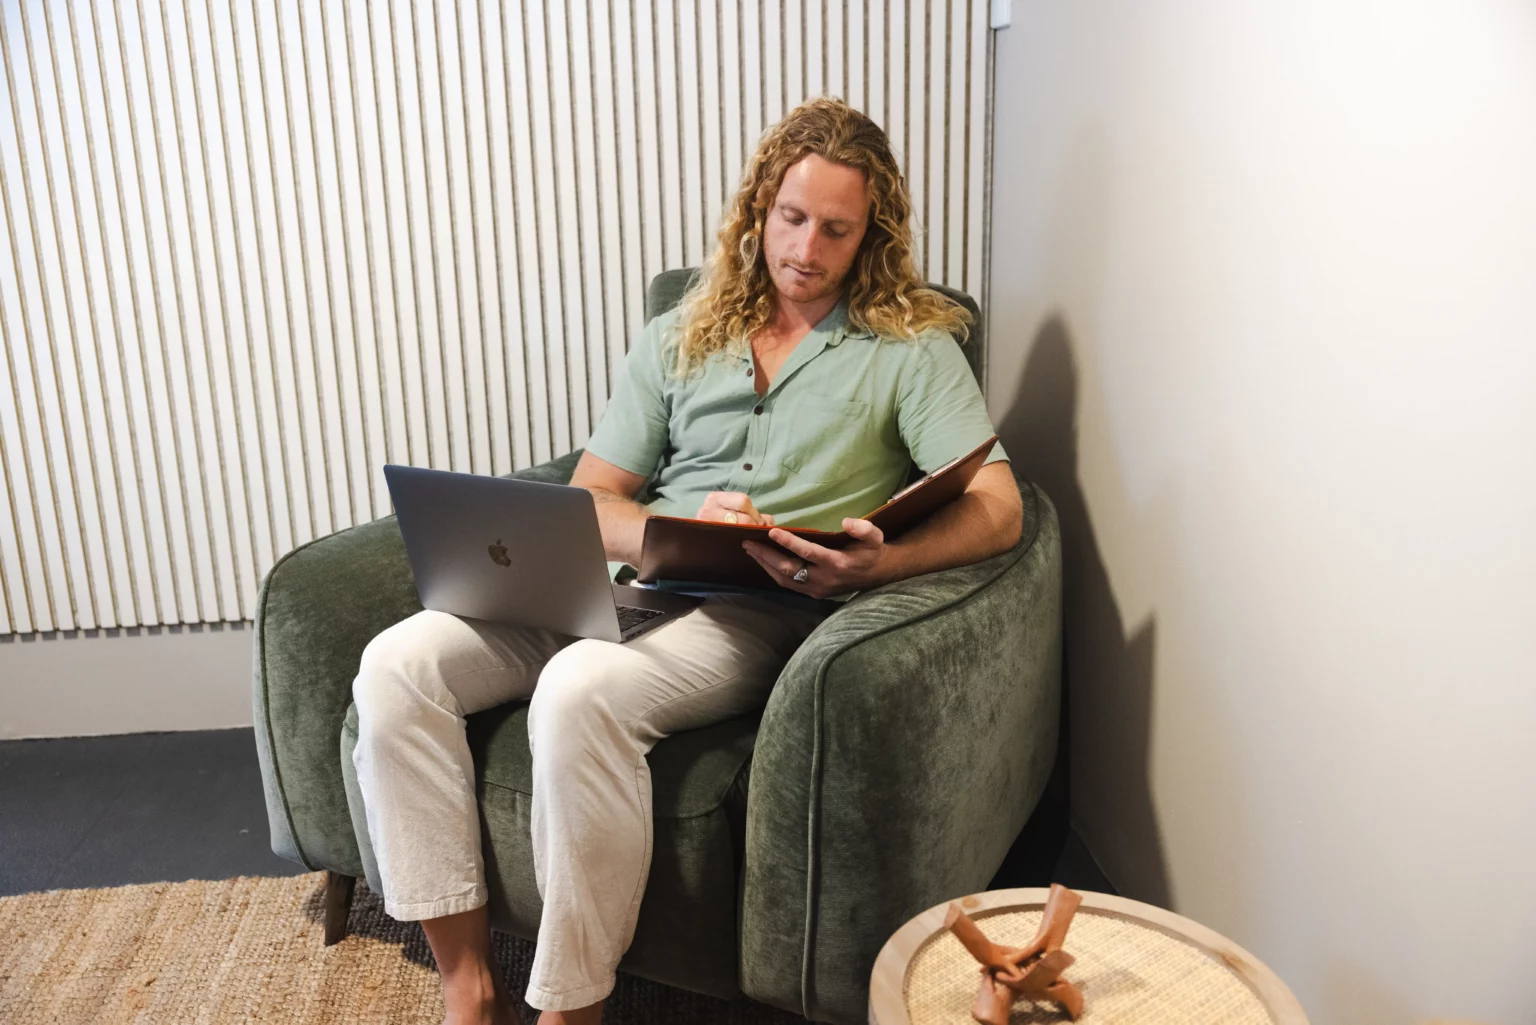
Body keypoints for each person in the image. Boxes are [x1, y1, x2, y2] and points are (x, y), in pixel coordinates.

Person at [349, 97, 1023, 1025]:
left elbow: (1001, 507)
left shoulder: (911, 347)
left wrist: (879, 564)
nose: (806, 249)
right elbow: (591, 499)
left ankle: (571, 1008)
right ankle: (469, 986)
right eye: (792, 219)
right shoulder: (684, 333)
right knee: (397, 664)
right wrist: (674, 521)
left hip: (764, 611)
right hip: (637, 584)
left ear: (871, 235)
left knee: (580, 687)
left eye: (836, 229)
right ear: (759, 210)